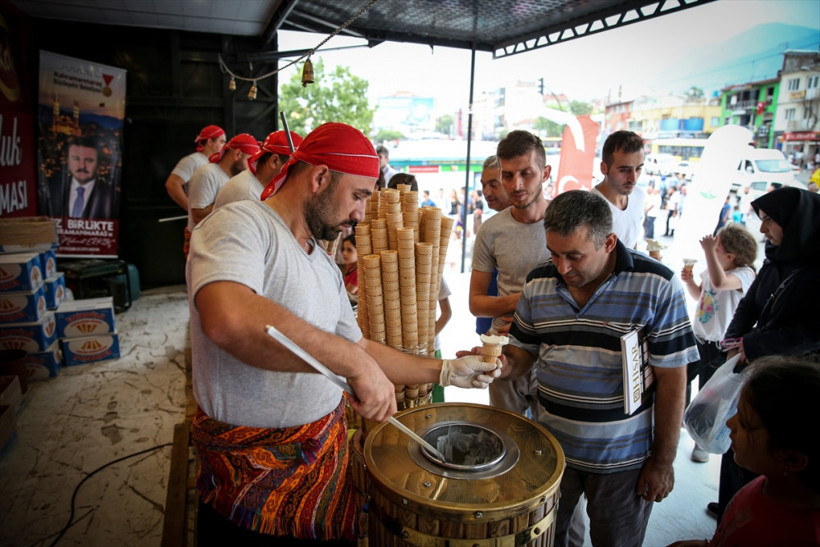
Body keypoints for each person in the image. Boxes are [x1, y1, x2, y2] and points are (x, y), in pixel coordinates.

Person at [186, 122, 500, 544]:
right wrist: (353, 364)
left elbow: (360, 345)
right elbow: (228, 317)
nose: (361, 214)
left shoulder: (322, 264)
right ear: (318, 178)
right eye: (358, 196)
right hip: (249, 484)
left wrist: (446, 371)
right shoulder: (241, 225)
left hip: (320, 470)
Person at [495, 190, 698, 546]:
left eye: (574, 256)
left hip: (624, 460)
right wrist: (498, 364)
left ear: (608, 243)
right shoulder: (537, 282)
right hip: (552, 452)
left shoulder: (657, 285)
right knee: (545, 538)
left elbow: (672, 380)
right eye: (554, 254)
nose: (562, 267)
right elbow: (523, 353)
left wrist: (663, 461)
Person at [707, 186, 820, 522]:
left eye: (770, 220)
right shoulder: (776, 259)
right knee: (738, 437)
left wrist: (754, 345)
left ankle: (756, 515)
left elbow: (812, 332)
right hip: (754, 368)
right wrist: (733, 343)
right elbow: (749, 306)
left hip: (793, 382)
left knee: (767, 447)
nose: (762, 229)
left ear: (796, 221)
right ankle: (731, 507)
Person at [670, 356, 820, 547]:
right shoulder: (767, 484)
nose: (729, 424)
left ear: (792, 459)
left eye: (745, 423)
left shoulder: (799, 536)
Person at [470, 132, 551, 419]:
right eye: (507, 175)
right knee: (505, 435)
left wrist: (529, 307)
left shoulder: (564, 223)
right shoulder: (491, 230)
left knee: (551, 445)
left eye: (526, 174)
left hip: (553, 351)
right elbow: (476, 303)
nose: (516, 185)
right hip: (505, 350)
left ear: (545, 173)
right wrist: (521, 302)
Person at [680, 225, 757, 463]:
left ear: (731, 256)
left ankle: (702, 441)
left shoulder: (744, 274)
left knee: (711, 394)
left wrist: (707, 252)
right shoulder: (714, 268)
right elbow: (699, 295)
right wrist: (690, 281)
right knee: (683, 381)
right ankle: (680, 422)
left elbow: (721, 283)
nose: (712, 248)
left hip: (720, 346)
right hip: (699, 338)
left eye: (717, 246)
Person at [187, 133, 259, 237]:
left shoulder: (236, 177)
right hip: (203, 243)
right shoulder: (206, 173)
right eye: (251, 161)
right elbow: (197, 216)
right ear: (237, 154)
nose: (253, 167)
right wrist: (234, 202)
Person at [214, 130, 303, 209]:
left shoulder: (257, 186)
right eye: (293, 167)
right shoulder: (248, 195)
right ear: (274, 161)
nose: (297, 175)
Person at [474, 154, 511, 338]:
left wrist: (529, 314)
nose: (486, 192)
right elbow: (475, 303)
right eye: (483, 185)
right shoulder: (489, 230)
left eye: (493, 184)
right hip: (490, 329)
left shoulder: (546, 226)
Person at [592, 130, 646, 249]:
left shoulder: (639, 195)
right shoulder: (590, 209)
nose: (633, 178)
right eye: (624, 170)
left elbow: (632, 244)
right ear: (604, 168)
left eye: (638, 169)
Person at [47, 136, 116, 219]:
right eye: (76, 159)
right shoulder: (51, 190)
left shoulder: (111, 196)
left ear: (98, 164)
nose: (82, 165)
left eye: (89, 160)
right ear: (68, 162)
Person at [165, 125, 225, 212]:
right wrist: (192, 210)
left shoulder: (218, 163)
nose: (224, 146)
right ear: (210, 142)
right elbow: (172, 184)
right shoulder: (192, 160)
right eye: (222, 142)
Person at [340, 233, 358, 297]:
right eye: (343, 249)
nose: (344, 253)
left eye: (349, 250)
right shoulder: (350, 267)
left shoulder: (358, 273)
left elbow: (347, 294)